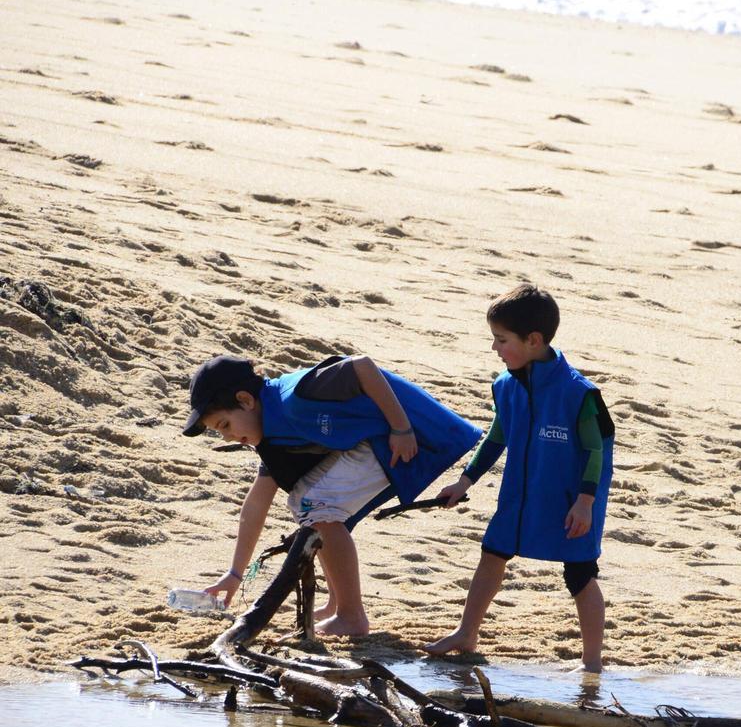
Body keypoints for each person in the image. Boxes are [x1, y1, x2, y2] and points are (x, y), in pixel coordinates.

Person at [182, 353, 481, 636]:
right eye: (219, 432)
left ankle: (351, 616)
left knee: (317, 505)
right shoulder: (271, 427)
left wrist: (401, 428)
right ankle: (337, 604)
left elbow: (362, 366)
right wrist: (235, 573)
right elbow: (257, 503)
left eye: (225, 425)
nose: (228, 437)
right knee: (303, 501)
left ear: (246, 401)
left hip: (413, 435)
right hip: (380, 441)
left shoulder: (294, 397)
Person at [424, 284, 615, 671]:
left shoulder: (578, 393)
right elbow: (498, 436)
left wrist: (585, 502)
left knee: (579, 573)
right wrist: (466, 480)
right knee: (492, 552)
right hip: (519, 495)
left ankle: (592, 664)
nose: (495, 348)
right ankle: (467, 632)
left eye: (501, 340)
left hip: (569, 500)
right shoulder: (505, 385)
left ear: (533, 340)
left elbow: (596, 451)